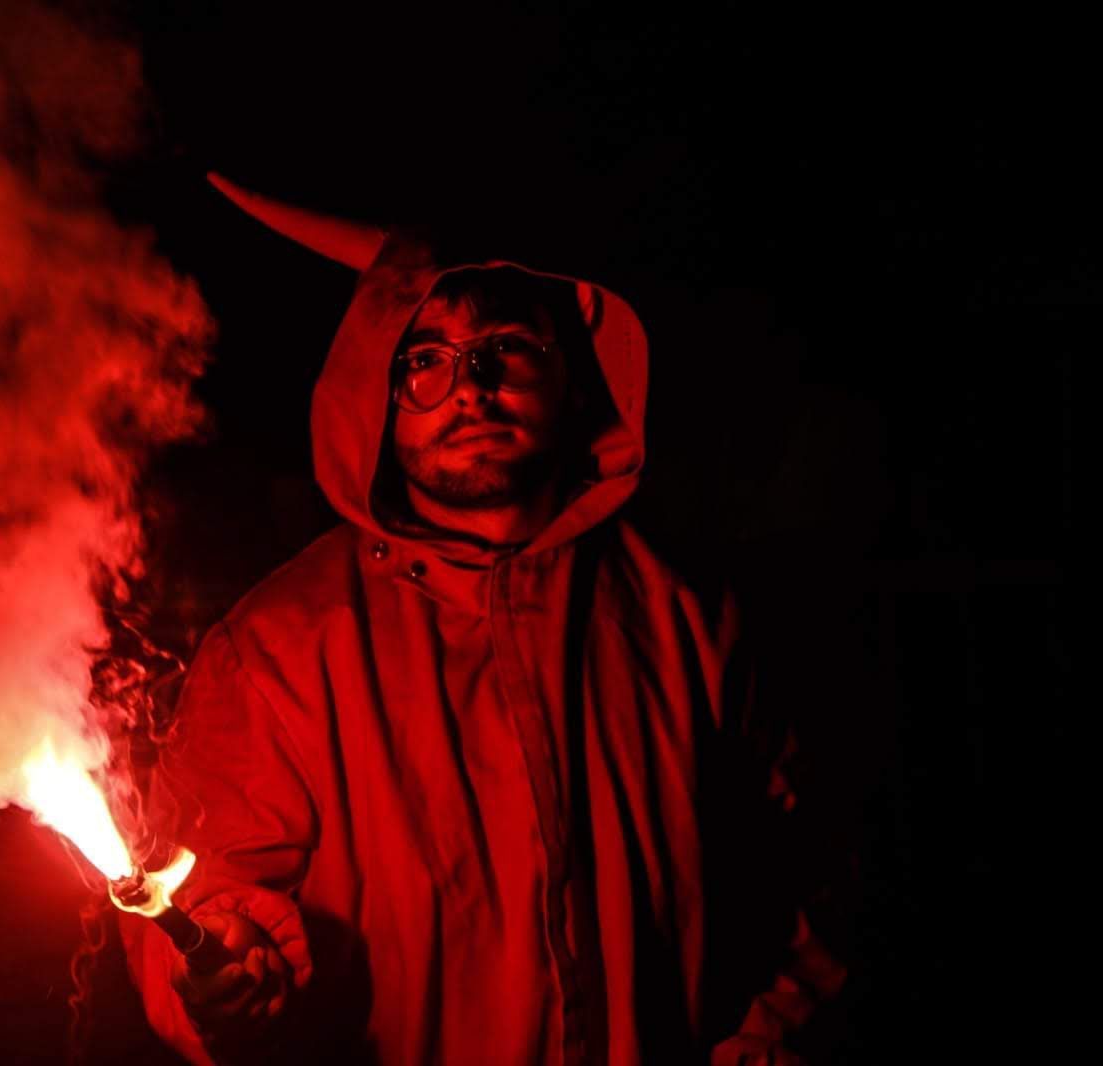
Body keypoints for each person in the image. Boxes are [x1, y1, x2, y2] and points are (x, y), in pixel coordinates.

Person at [120, 174, 847, 1065]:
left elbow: (806, 873)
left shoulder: (690, 614)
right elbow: (201, 909)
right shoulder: (277, 649)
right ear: (372, 400)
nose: (470, 387)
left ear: (574, 378)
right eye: (422, 360)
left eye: (506, 345)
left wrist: (768, 1042)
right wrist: (232, 966)